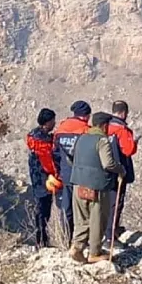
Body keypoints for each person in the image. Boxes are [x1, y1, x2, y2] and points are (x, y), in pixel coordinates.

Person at [66, 112, 124, 264]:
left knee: (82, 219)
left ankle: (76, 247)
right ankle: (94, 252)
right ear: (104, 126)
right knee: (98, 219)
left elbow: (70, 158)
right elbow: (108, 164)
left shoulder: (81, 138)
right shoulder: (102, 141)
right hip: (97, 186)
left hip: (78, 184)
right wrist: (121, 170)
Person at [52, 101, 92, 240]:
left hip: (66, 174)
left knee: (66, 208)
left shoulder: (60, 129)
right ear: (86, 116)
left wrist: (60, 171)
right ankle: (81, 240)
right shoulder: (86, 130)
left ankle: (66, 238)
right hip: (83, 177)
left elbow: (55, 153)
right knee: (84, 209)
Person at [106, 100, 140, 246]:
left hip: (104, 171)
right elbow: (128, 150)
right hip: (119, 173)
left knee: (105, 203)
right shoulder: (121, 130)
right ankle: (110, 234)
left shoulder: (104, 127)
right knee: (116, 204)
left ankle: (106, 231)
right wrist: (135, 141)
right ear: (124, 113)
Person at [25, 108, 60, 248]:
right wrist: (56, 175)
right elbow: (47, 163)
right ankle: (42, 241)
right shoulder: (42, 141)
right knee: (43, 210)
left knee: (41, 209)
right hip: (44, 179)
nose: (54, 123)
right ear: (47, 122)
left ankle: (41, 239)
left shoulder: (34, 136)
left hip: (37, 178)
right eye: (53, 120)